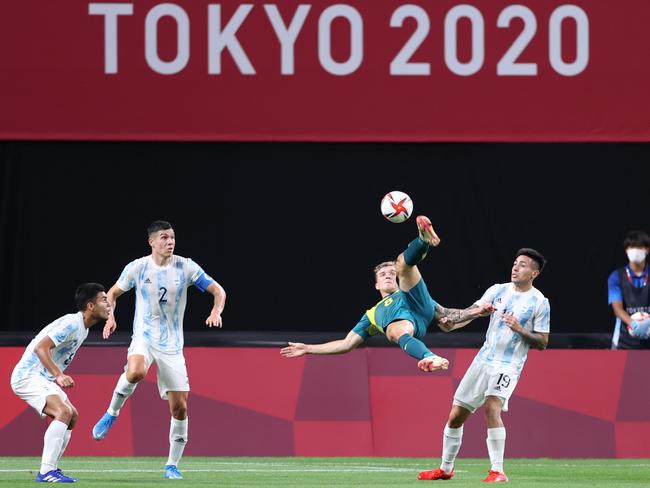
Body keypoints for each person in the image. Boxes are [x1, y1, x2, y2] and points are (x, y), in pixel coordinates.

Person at [91, 220, 226, 480]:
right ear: (151, 242)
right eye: (164, 237)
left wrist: (216, 310)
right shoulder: (138, 268)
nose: (170, 241)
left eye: (172, 237)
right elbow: (113, 293)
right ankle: (111, 413)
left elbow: (217, 290)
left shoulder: (186, 267)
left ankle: (172, 465)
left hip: (173, 346)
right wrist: (110, 316)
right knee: (136, 372)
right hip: (144, 336)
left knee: (180, 409)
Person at [281, 215, 493, 372]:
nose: (388, 275)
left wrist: (475, 312)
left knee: (403, 264)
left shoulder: (406, 291)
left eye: (390, 273)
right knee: (395, 330)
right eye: (383, 274)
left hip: (416, 303)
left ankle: (422, 240)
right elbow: (346, 344)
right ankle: (430, 357)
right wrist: (308, 348)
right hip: (406, 326)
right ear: (376, 285)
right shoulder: (372, 314)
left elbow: (447, 316)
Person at [418, 248, 550, 483]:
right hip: (483, 360)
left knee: (492, 406)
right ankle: (445, 468)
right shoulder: (497, 290)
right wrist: (454, 321)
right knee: (455, 415)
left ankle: (498, 471)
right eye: (515, 262)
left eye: (522, 265)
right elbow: (471, 312)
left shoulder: (540, 302)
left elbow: (542, 342)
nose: (515, 267)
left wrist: (519, 328)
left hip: (508, 365)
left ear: (534, 273)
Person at [11, 283, 111, 483]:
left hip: (40, 376)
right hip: (28, 375)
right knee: (63, 412)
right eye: (103, 299)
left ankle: (52, 469)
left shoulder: (83, 327)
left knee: (72, 415)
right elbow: (41, 348)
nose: (108, 304)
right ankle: (46, 472)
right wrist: (58, 375)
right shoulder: (72, 324)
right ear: (90, 306)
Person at [608, 230, 650, 349]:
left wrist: (647, 323)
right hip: (624, 342)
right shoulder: (616, 277)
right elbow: (617, 309)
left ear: (647, 249)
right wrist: (634, 324)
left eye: (639, 247)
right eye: (631, 247)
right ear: (626, 250)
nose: (635, 251)